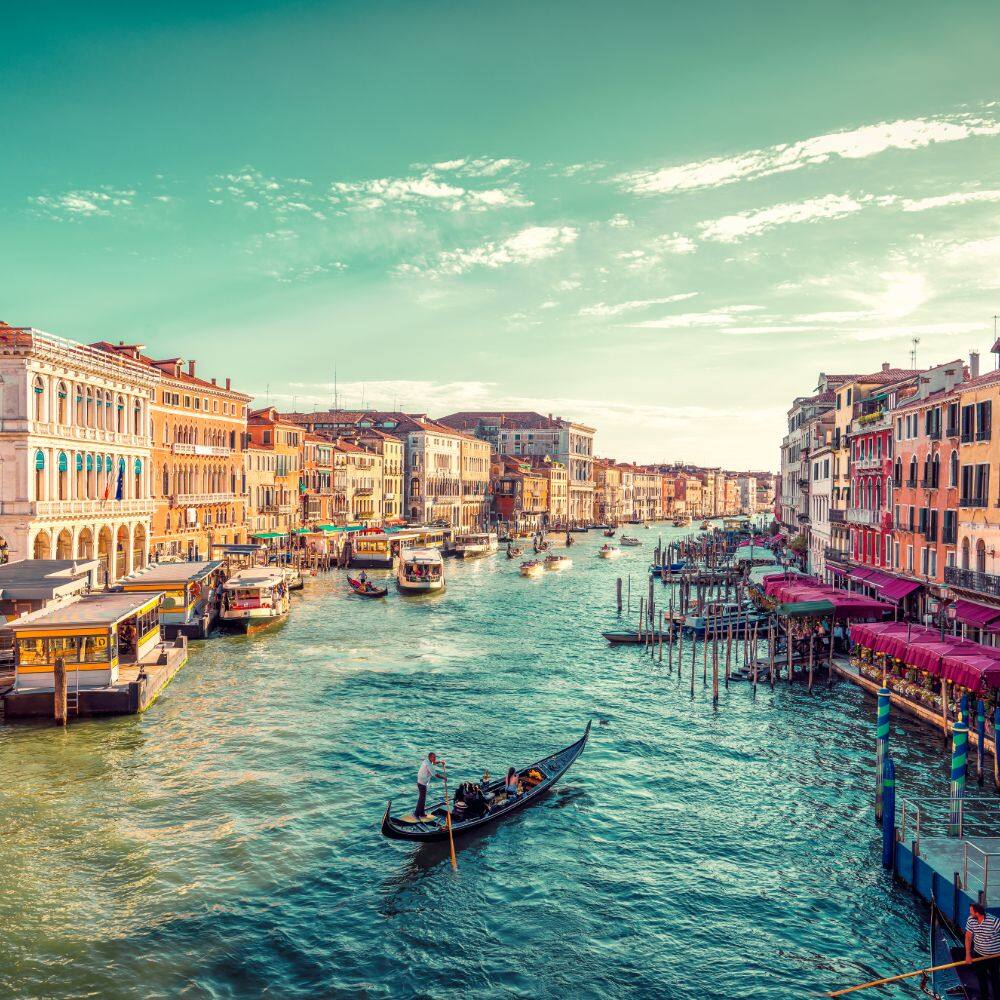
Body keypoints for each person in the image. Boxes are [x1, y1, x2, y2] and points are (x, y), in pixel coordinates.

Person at [966, 901, 1000, 999]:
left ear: (977, 912)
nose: (970, 913)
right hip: (979, 954)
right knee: (981, 977)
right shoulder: (971, 920)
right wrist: (968, 955)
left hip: (994, 956)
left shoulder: (994, 922)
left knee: (995, 978)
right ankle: (984, 997)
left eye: (971, 911)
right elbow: (968, 937)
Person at [415, 752, 444, 819]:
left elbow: (433, 763)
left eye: (435, 757)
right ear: (430, 757)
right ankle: (419, 814)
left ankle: (418, 813)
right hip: (422, 783)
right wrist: (444, 778)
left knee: (421, 798)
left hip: (420, 782)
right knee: (422, 799)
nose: (435, 758)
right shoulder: (429, 765)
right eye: (434, 757)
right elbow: (435, 775)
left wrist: (440, 762)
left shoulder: (426, 761)